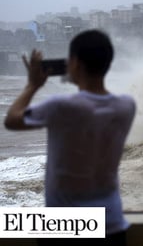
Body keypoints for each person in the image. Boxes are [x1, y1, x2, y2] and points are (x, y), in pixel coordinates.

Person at [4, 29, 136, 245]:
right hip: (111, 221)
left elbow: (12, 120)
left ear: (75, 63)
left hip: (64, 225)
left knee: (13, 223)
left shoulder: (61, 106)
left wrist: (32, 85)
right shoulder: (126, 106)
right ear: (108, 64)